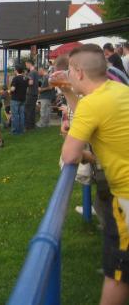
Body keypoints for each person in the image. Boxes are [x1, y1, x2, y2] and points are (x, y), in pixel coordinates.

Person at [57, 44, 129, 305]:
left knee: (118, 272)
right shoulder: (121, 90)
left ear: (78, 72)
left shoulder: (92, 104)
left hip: (126, 198)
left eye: (68, 70)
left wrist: (71, 139)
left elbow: (69, 156)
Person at [8, 65, 28, 135]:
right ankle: (21, 130)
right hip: (23, 98)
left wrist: (9, 91)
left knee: (15, 115)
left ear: (16, 71)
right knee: (21, 115)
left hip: (15, 99)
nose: (14, 71)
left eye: (14, 70)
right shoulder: (25, 78)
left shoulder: (15, 78)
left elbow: (13, 88)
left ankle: (15, 131)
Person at [24, 60, 39, 130]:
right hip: (35, 93)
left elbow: (31, 83)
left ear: (29, 64)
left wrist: (25, 81)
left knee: (28, 110)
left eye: (26, 64)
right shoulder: (36, 72)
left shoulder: (31, 72)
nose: (26, 66)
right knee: (32, 110)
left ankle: (28, 126)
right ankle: (33, 126)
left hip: (30, 93)